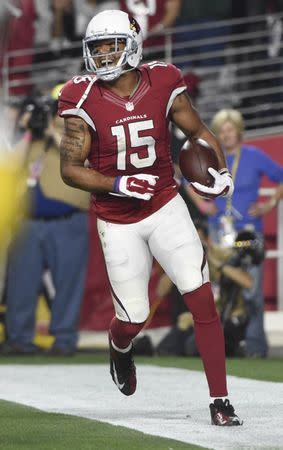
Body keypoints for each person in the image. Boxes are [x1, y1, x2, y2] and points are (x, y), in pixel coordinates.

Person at [58, 10, 242, 425]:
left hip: (163, 205)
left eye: (112, 45)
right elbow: (70, 169)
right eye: (97, 48)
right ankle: (120, 347)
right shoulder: (79, 96)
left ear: (134, 44)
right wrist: (118, 184)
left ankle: (220, 400)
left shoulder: (163, 80)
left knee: (200, 295)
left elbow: (198, 133)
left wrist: (221, 171)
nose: (103, 56)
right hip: (117, 216)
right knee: (134, 318)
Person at [1, 88, 90, 356]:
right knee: (21, 282)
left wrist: (52, 132)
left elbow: (78, 154)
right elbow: (9, 166)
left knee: (68, 283)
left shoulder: (79, 134)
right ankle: (18, 338)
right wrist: (29, 131)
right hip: (28, 221)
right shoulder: (32, 140)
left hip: (68, 220)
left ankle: (64, 340)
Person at [201, 109, 283, 357]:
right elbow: (186, 181)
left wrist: (269, 205)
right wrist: (203, 204)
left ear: (239, 131)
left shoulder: (254, 155)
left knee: (251, 290)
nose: (226, 135)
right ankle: (222, 346)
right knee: (218, 290)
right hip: (218, 230)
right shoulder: (213, 158)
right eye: (221, 130)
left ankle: (256, 346)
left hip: (248, 233)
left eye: (230, 129)